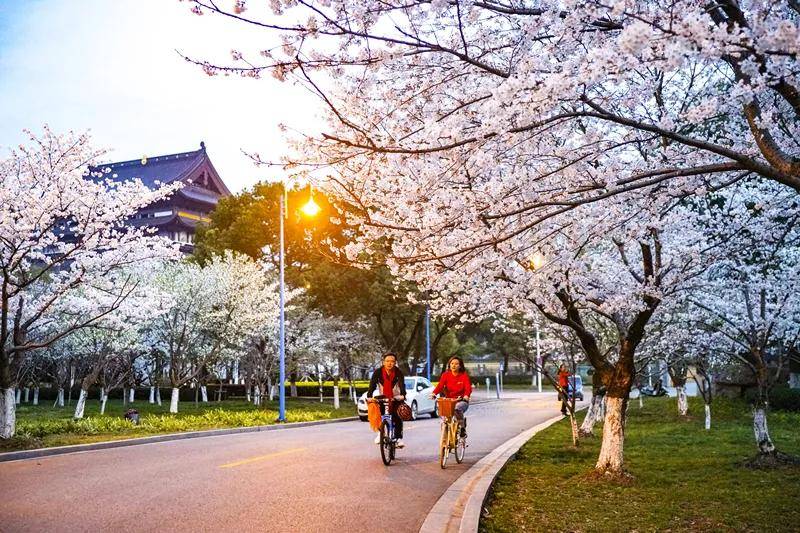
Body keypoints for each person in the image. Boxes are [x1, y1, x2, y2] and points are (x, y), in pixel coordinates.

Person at [367, 352, 407, 448]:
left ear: (395, 362)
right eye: (387, 361)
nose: (390, 363)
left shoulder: (398, 372)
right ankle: (380, 433)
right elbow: (372, 385)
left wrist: (402, 395)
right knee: (378, 413)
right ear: (383, 362)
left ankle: (398, 438)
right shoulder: (378, 372)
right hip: (383, 397)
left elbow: (402, 385)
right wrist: (369, 396)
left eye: (392, 361)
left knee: (397, 415)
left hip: (396, 398)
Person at [430, 356, 472, 437]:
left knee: (457, 409)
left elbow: (468, 388)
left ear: (460, 366)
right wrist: (434, 393)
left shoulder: (464, 376)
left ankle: (462, 427)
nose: (454, 365)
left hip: (461, 400)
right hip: (449, 400)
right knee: (444, 413)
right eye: (452, 363)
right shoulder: (445, 375)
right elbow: (440, 386)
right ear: (449, 365)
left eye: (456, 364)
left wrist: (466, 396)